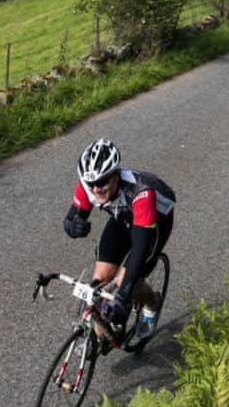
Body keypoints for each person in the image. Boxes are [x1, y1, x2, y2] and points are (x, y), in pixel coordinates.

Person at [62, 138, 176, 345]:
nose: (96, 189)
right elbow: (71, 218)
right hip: (123, 219)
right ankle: (96, 335)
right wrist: (72, 227)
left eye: (102, 182)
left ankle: (152, 303)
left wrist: (123, 296)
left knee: (127, 282)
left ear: (116, 174)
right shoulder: (88, 186)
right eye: (91, 183)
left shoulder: (141, 191)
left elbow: (140, 248)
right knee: (99, 280)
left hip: (153, 224)